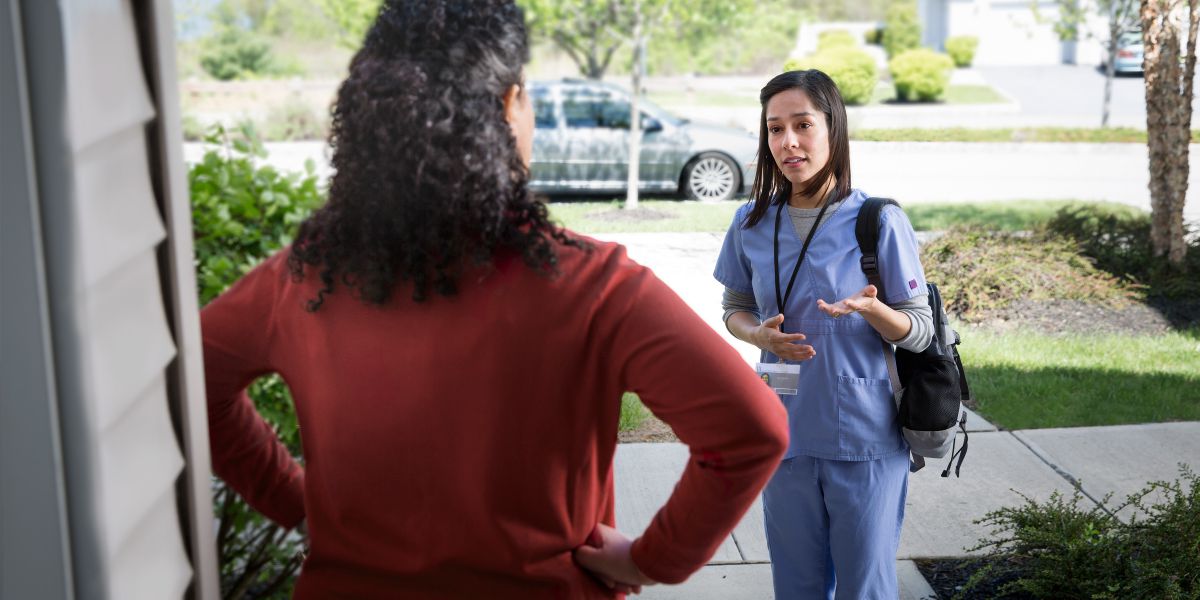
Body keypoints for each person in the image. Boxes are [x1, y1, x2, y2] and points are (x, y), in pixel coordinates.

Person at [201, 1, 788, 597]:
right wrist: (652, 560)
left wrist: (299, 507)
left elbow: (195, 382)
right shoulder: (594, 286)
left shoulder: (302, 278)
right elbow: (751, 430)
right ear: (510, 106)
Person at [713, 69, 935, 599]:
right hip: (782, 430)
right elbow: (735, 307)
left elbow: (920, 332)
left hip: (863, 435)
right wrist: (758, 337)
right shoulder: (750, 222)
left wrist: (872, 312)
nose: (788, 142)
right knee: (797, 586)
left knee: (865, 586)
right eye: (774, 128)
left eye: (803, 124)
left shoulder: (877, 221)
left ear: (833, 128)